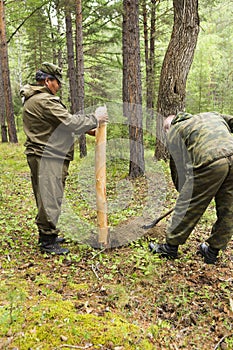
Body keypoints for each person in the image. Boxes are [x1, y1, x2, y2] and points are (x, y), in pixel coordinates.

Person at [21, 62, 108, 255]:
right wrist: (95, 118)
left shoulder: (36, 98)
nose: (58, 86)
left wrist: (88, 129)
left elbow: (57, 125)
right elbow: (69, 122)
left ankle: (48, 234)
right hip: (48, 156)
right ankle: (47, 241)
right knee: (50, 198)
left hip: (46, 154)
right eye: (56, 82)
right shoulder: (45, 100)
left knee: (48, 197)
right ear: (47, 81)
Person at [149, 111, 233, 264]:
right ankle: (212, 252)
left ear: (169, 127)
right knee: (229, 208)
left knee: (186, 205)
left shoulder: (174, 131)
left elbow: (178, 168)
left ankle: (170, 248)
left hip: (211, 162)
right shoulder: (211, 115)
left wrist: (185, 193)